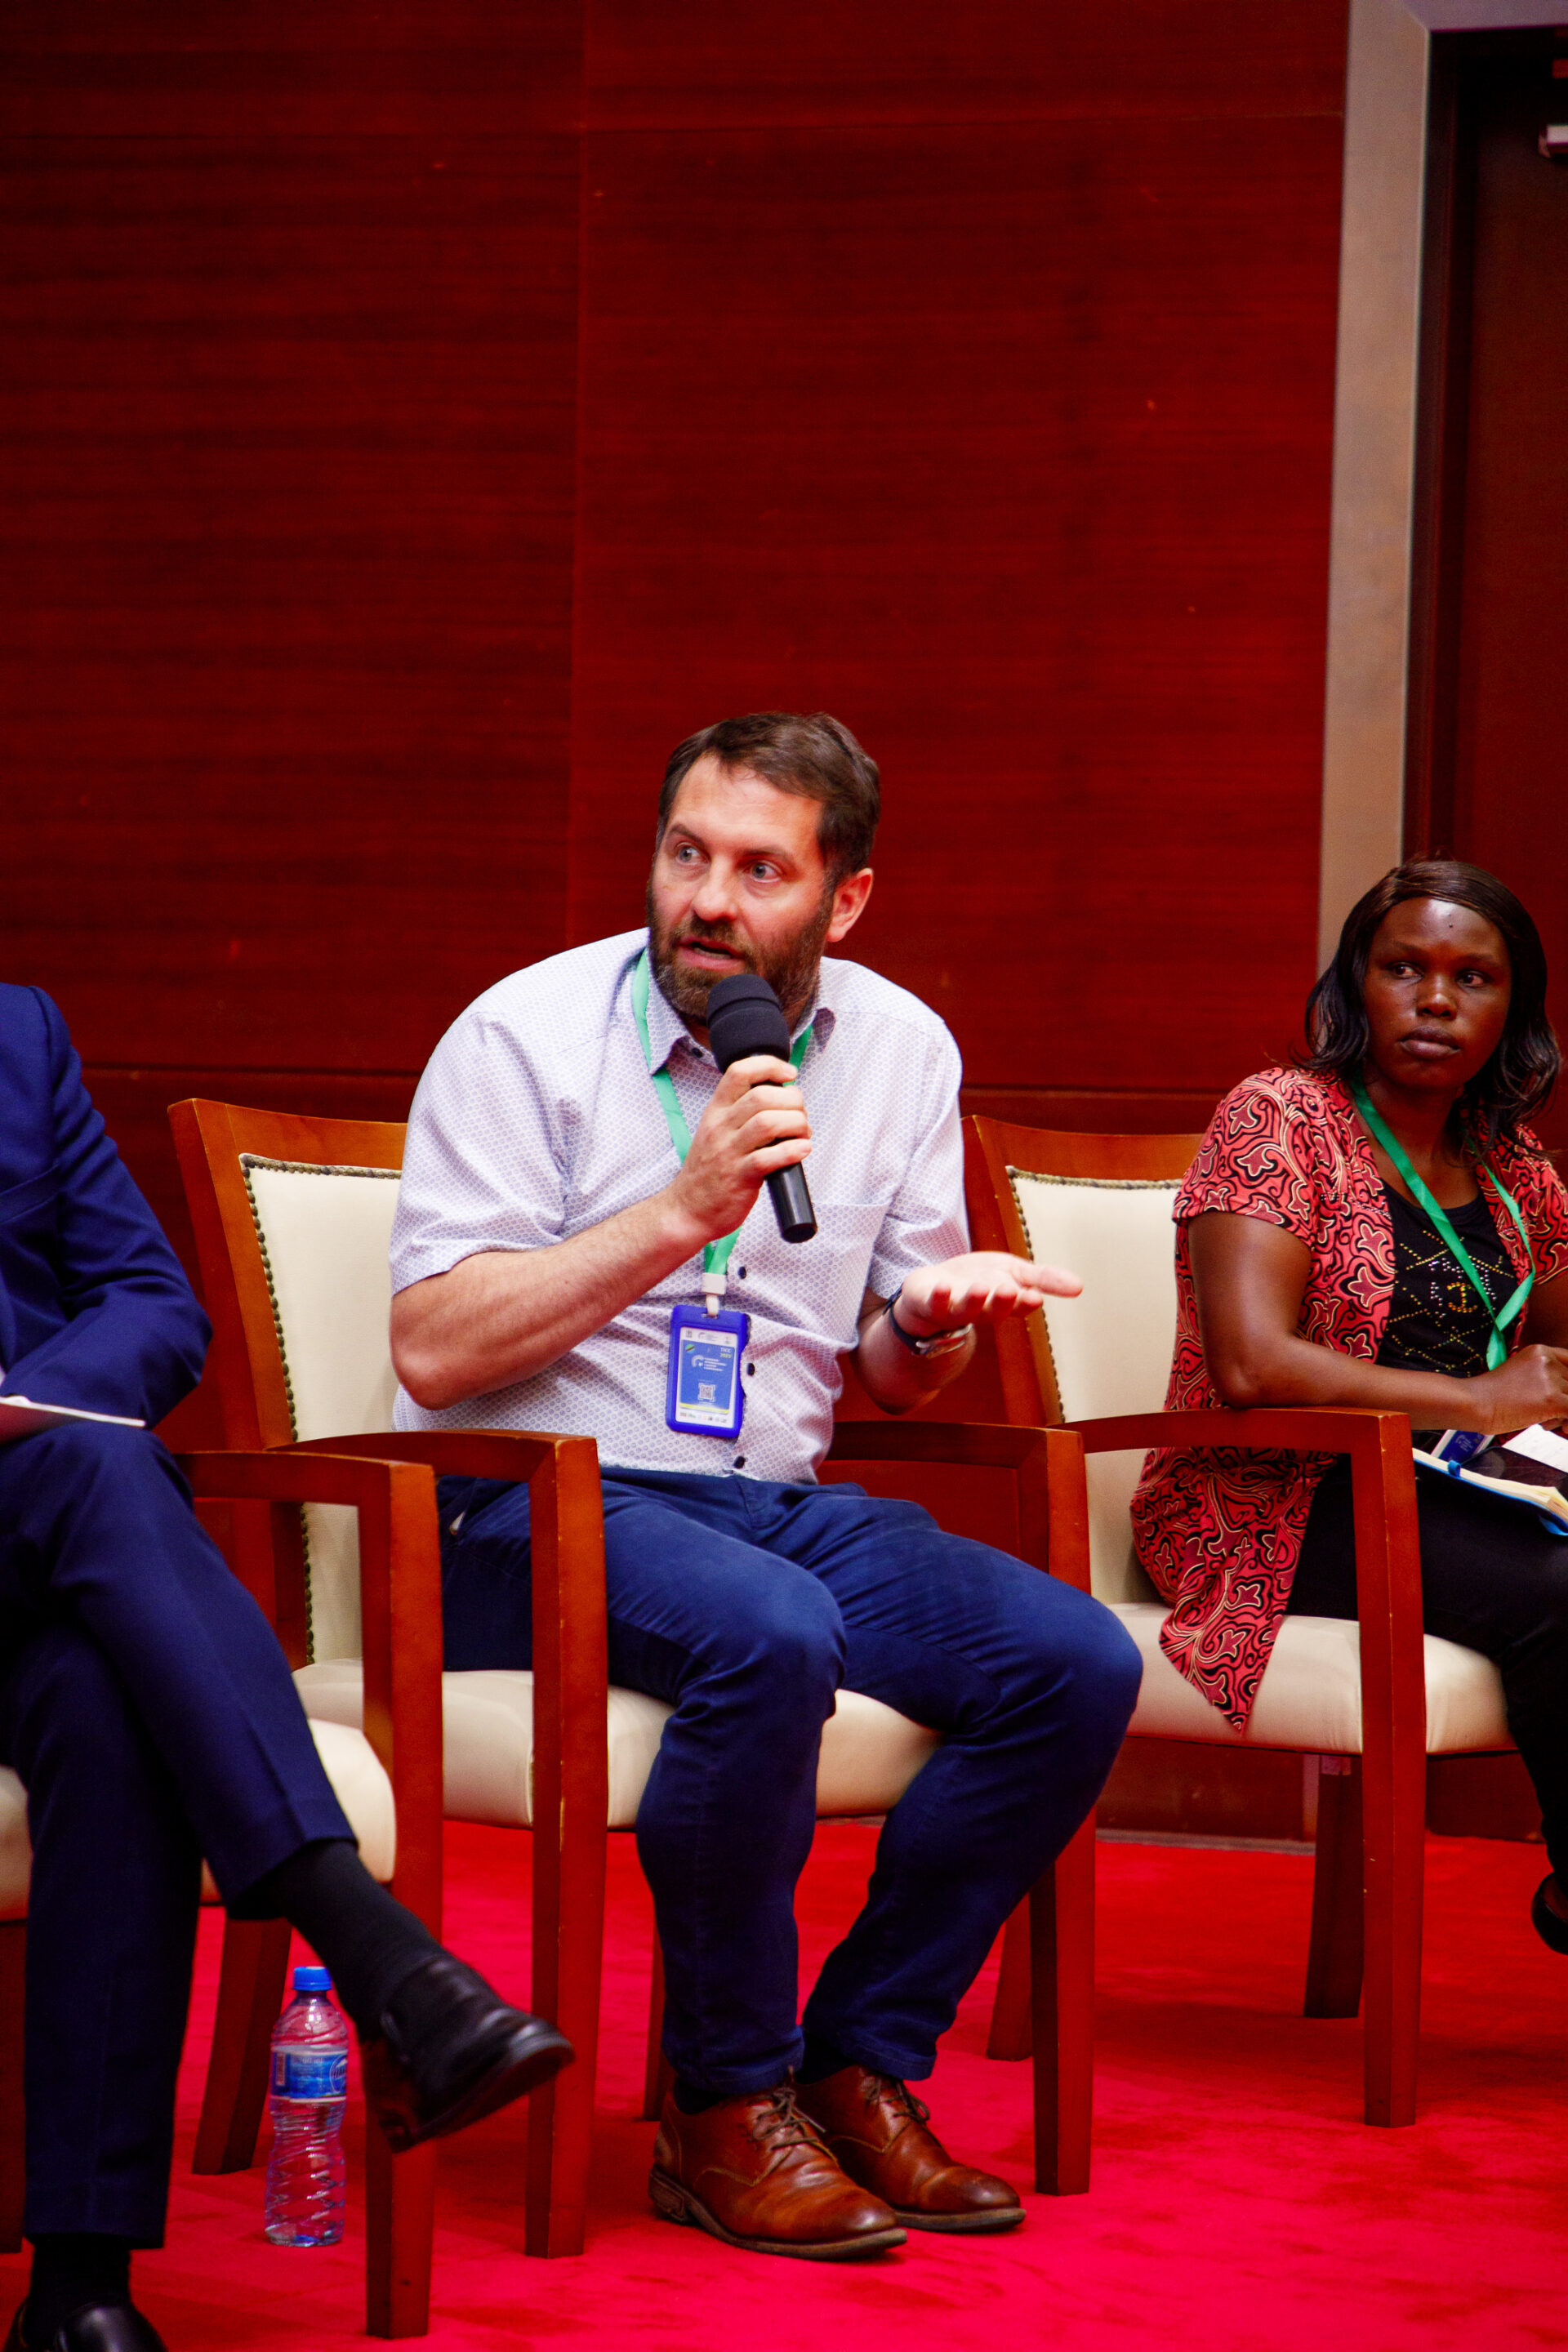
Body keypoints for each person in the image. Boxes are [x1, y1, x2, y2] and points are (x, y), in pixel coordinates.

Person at [390, 710, 1142, 2261]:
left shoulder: (902, 1047)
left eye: (759, 871)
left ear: (844, 900)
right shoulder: (523, 1037)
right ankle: (723, 2103)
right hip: (527, 1499)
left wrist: (926, 1325)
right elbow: (435, 1347)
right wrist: (685, 1207)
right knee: (771, 1633)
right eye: (687, 855)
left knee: (1072, 1661)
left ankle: (857, 2064)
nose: (708, 902)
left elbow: (887, 1375)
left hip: (771, 1504)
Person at [0, 985, 572, 2352]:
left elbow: (150, 1302)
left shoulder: (17, 1036)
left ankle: (79, 2293)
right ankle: (381, 1958)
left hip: (23, 1546)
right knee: (99, 1474)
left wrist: (23, 1408)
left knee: (109, 1697)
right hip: (52, 1509)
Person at [1131, 858, 1568, 1949]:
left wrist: (1518, 1400)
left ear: (1512, 1010)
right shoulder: (1278, 1119)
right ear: (1354, 984)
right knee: (1561, 1590)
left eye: (1474, 978)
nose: (1436, 1000)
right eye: (1404, 969)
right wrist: (1479, 1398)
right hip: (1274, 1501)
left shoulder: (1512, 1162)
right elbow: (1253, 1367)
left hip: (1462, 1494)